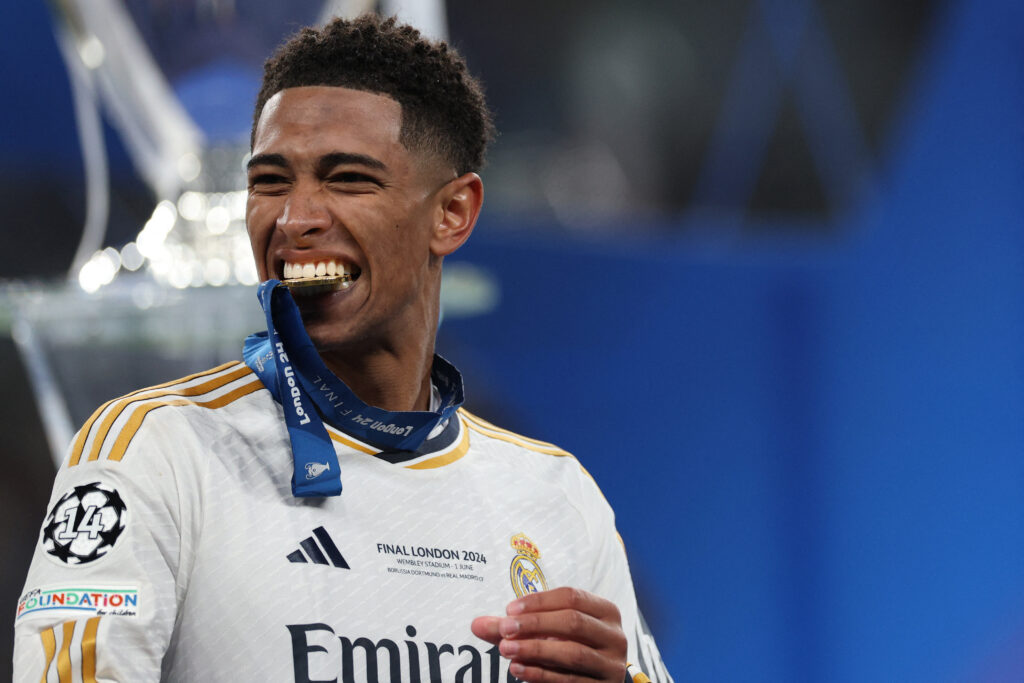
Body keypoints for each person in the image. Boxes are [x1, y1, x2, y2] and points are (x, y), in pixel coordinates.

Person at [14, 14, 671, 683]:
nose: (295, 218)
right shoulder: (154, 453)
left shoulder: (557, 495)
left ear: (453, 212)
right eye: (269, 180)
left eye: (347, 179)